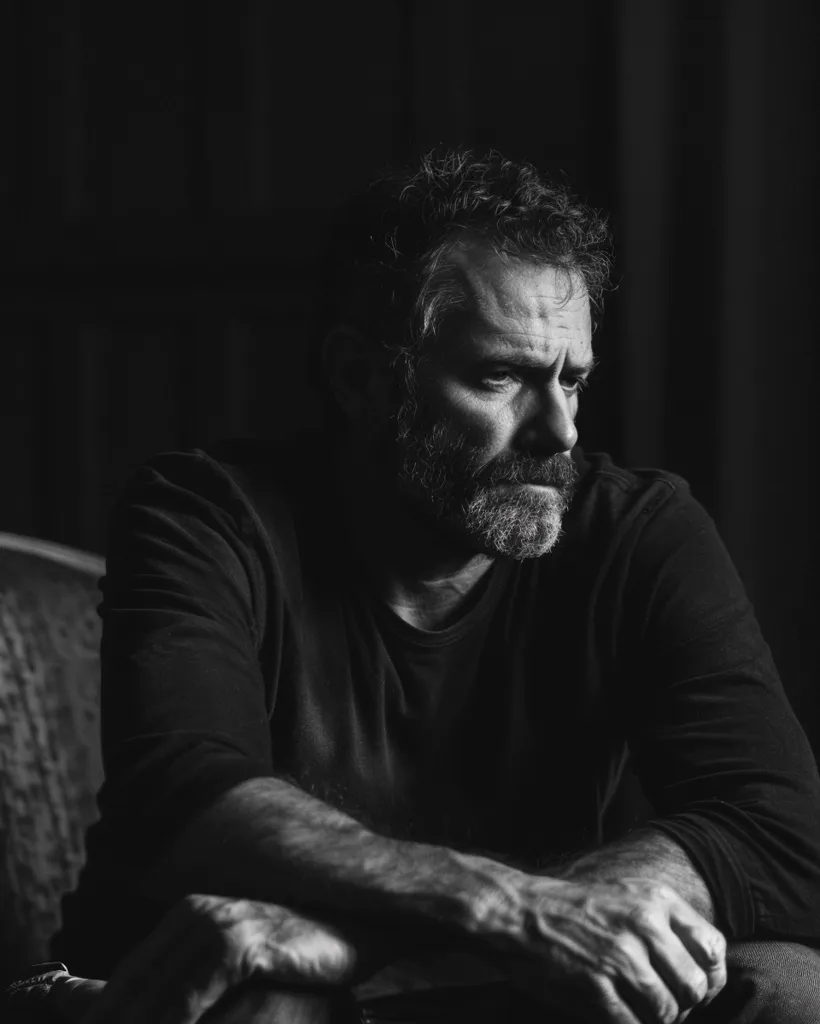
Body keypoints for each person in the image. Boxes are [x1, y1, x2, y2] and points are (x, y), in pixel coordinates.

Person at [8, 149, 820, 1023]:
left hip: (486, 986)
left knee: (790, 988)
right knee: (270, 1004)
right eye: (500, 376)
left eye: (572, 379)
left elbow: (781, 831)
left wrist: (394, 934)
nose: (559, 430)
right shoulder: (205, 515)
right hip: (228, 989)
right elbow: (186, 803)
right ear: (362, 377)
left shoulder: (638, 530)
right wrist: (512, 911)